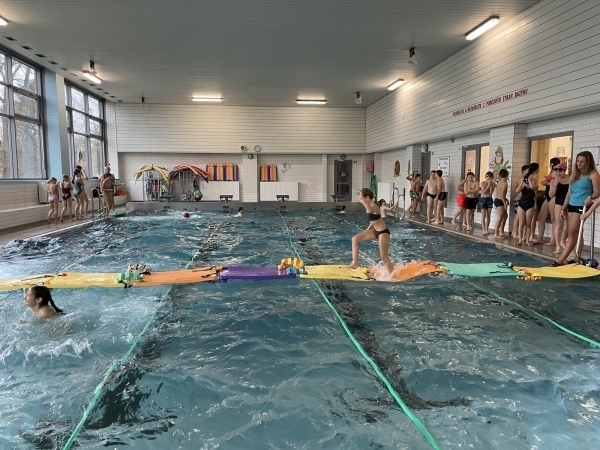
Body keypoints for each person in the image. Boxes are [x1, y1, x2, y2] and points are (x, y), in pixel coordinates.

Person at [554, 151, 600, 265]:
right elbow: (569, 193)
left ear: (588, 162)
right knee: (577, 231)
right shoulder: (574, 174)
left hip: (582, 206)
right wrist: (563, 208)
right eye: (578, 161)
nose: (579, 163)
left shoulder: (593, 174)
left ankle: (561, 259)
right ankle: (576, 257)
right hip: (571, 205)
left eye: (582, 162)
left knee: (572, 232)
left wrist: (590, 197)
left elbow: (597, 192)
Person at [346, 188, 394, 274]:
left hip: (383, 233)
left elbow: (370, 211)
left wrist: (364, 200)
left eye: (361, 198)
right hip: (375, 231)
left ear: (367, 198)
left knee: (384, 257)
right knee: (355, 239)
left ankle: (393, 274)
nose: (360, 201)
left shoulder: (373, 206)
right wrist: (367, 230)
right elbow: (373, 221)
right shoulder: (370, 205)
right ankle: (354, 263)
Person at [534, 158, 561, 244]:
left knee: (553, 218)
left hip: (555, 197)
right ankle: (540, 237)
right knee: (541, 217)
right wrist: (546, 182)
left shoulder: (558, 172)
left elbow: (559, 184)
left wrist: (547, 183)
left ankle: (553, 239)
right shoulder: (551, 172)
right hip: (548, 197)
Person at [516, 163, 539, 246]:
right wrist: (523, 183)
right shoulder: (523, 180)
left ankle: (527, 241)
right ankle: (520, 240)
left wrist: (529, 180)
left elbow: (533, 188)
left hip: (530, 204)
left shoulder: (535, 179)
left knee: (528, 224)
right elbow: (517, 190)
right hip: (522, 203)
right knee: (521, 223)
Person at [549, 162, 570, 254]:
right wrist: (555, 184)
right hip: (559, 204)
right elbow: (551, 195)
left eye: (560, 170)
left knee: (569, 226)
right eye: (556, 170)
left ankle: (562, 240)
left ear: (565, 170)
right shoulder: (553, 181)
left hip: (570, 204)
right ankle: (558, 246)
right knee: (559, 225)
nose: (558, 172)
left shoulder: (570, 179)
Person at [511, 165, 529, 238]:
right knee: (517, 217)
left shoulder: (521, 179)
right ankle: (515, 233)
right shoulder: (522, 179)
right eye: (528, 170)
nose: (529, 172)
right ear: (523, 171)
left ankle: (514, 232)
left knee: (518, 217)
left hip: (519, 198)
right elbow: (518, 190)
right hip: (519, 199)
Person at [493, 169, 509, 238]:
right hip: (500, 201)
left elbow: (500, 193)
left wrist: (506, 199)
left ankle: (501, 231)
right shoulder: (504, 184)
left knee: (505, 216)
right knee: (500, 217)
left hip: (498, 200)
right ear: (507, 175)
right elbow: (502, 195)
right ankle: (496, 234)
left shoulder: (499, 182)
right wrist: (504, 203)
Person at [478, 171, 495, 236]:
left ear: (492, 177)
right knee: (483, 215)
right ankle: (483, 229)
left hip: (489, 199)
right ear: (485, 177)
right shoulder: (482, 183)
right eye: (487, 176)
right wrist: (488, 185)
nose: (488, 178)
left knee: (488, 215)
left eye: (490, 176)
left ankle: (487, 229)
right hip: (483, 199)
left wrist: (490, 185)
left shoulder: (493, 184)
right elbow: (484, 192)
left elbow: (491, 192)